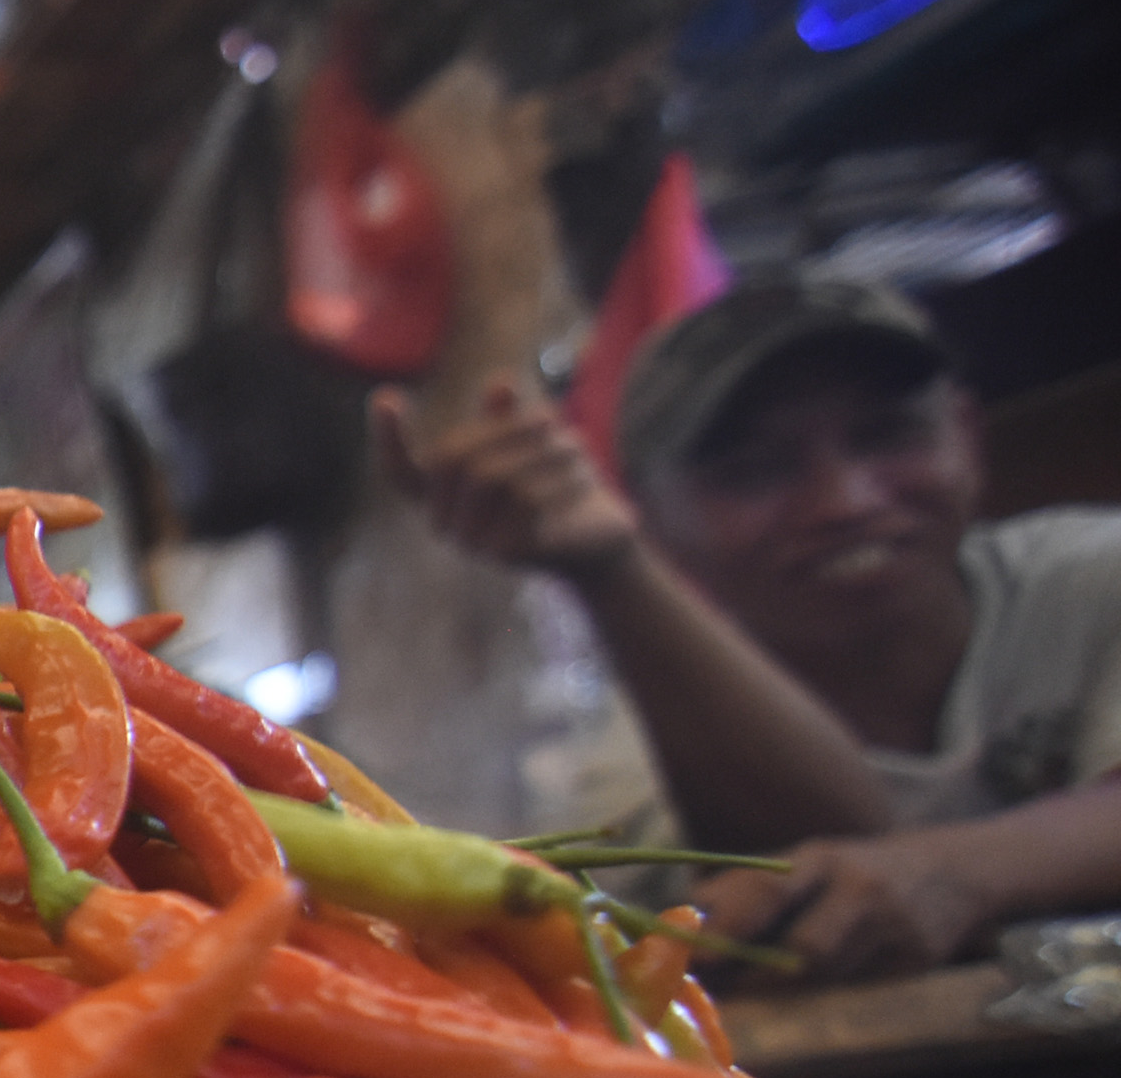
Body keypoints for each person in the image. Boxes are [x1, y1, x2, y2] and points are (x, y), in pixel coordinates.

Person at [377, 276, 1121, 984]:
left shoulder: (1093, 576)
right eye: (754, 470)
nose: (844, 500)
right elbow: (805, 852)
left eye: (887, 434)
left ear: (966, 433)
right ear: (653, 513)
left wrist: (956, 872)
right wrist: (608, 565)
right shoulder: (630, 762)